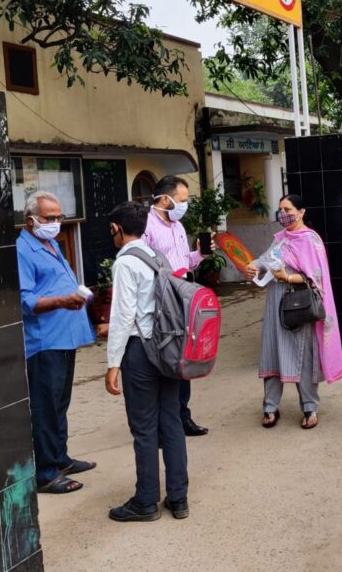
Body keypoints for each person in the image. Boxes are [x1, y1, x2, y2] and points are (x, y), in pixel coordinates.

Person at [104, 201, 189, 522]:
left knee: (143, 428)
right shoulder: (157, 256)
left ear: (116, 228)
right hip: (168, 347)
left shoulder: (126, 262)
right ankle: (178, 499)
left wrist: (113, 363)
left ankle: (146, 501)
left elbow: (123, 316)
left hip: (140, 350)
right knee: (171, 420)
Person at [17, 191, 97, 495]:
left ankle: (60, 459)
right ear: (30, 221)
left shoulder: (49, 244)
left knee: (60, 404)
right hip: (44, 341)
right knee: (45, 407)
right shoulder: (23, 250)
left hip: (65, 337)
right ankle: (45, 472)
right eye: (49, 217)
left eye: (58, 216)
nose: (56, 222)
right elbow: (26, 300)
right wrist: (63, 300)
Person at [242, 194, 342, 429]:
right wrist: (252, 266)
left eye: (288, 209)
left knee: (303, 356)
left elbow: (316, 277)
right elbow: (265, 260)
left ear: (301, 212)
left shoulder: (310, 240)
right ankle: (270, 407)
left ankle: (309, 407)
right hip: (276, 302)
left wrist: (287, 277)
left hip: (299, 303)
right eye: (280, 210)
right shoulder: (280, 239)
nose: (283, 214)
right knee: (271, 351)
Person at [142, 175, 208, 437]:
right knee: (165, 358)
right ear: (164, 199)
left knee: (184, 357)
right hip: (161, 302)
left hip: (184, 299)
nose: (184, 205)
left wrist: (200, 254)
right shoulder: (146, 225)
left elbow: (185, 261)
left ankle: (182, 415)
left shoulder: (178, 225)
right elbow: (142, 265)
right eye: (182, 200)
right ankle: (162, 423)